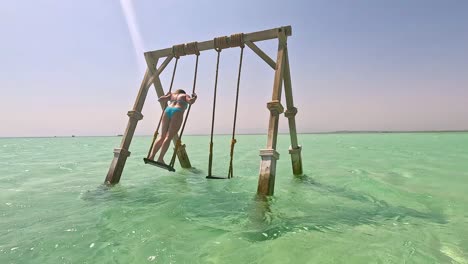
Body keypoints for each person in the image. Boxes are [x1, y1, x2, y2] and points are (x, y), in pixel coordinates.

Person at [148, 89, 197, 165]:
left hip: (167, 111)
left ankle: (151, 156)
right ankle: (160, 159)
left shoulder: (172, 95)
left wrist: (167, 96)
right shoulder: (185, 95)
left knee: (162, 136)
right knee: (169, 136)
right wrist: (194, 97)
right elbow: (190, 101)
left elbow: (160, 99)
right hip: (177, 111)